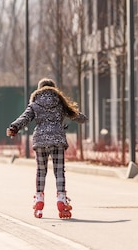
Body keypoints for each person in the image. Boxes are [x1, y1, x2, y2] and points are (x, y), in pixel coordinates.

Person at [7, 78, 88, 219]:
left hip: (40, 140)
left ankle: (39, 199)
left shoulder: (34, 104)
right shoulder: (60, 103)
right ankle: (61, 199)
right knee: (59, 170)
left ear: (39, 89)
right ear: (54, 88)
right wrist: (84, 118)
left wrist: (14, 127)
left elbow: (24, 118)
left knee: (41, 170)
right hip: (57, 140)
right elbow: (76, 116)